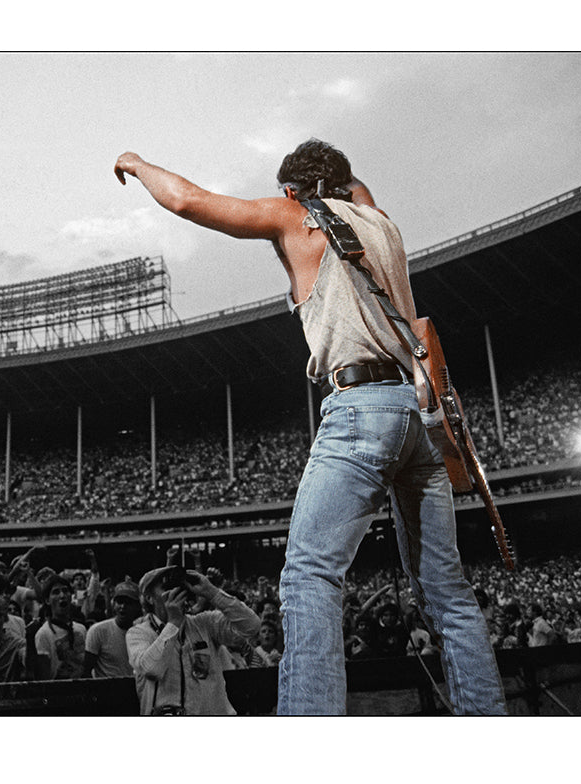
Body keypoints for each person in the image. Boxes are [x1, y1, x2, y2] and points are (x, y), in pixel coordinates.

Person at [114, 140, 506, 715]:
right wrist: (339, 179)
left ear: (293, 191)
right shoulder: (381, 222)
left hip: (359, 407)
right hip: (417, 414)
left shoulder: (293, 216)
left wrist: (136, 163)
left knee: (309, 577)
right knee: (448, 595)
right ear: (346, 184)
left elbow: (188, 202)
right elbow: (356, 189)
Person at [126, 565, 261, 715]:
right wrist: (174, 622)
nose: (175, 592)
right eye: (167, 587)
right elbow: (152, 670)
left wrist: (211, 592)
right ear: (149, 598)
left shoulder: (205, 623)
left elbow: (252, 626)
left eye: (178, 587)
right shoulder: (138, 633)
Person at [83, 581, 142, 679]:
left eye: (128, 603)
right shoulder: (97, 631)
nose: (123, 607)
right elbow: (86, 671)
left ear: (137, 606)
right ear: (114, 605)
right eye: (120, 602)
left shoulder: (143, 632)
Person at [33, 574, 86, 680]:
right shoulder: (43, 634)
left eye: (66, 591)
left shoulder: (81, 629)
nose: (62, 595)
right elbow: (43, 677)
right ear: (47, 600)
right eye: (56, 592)